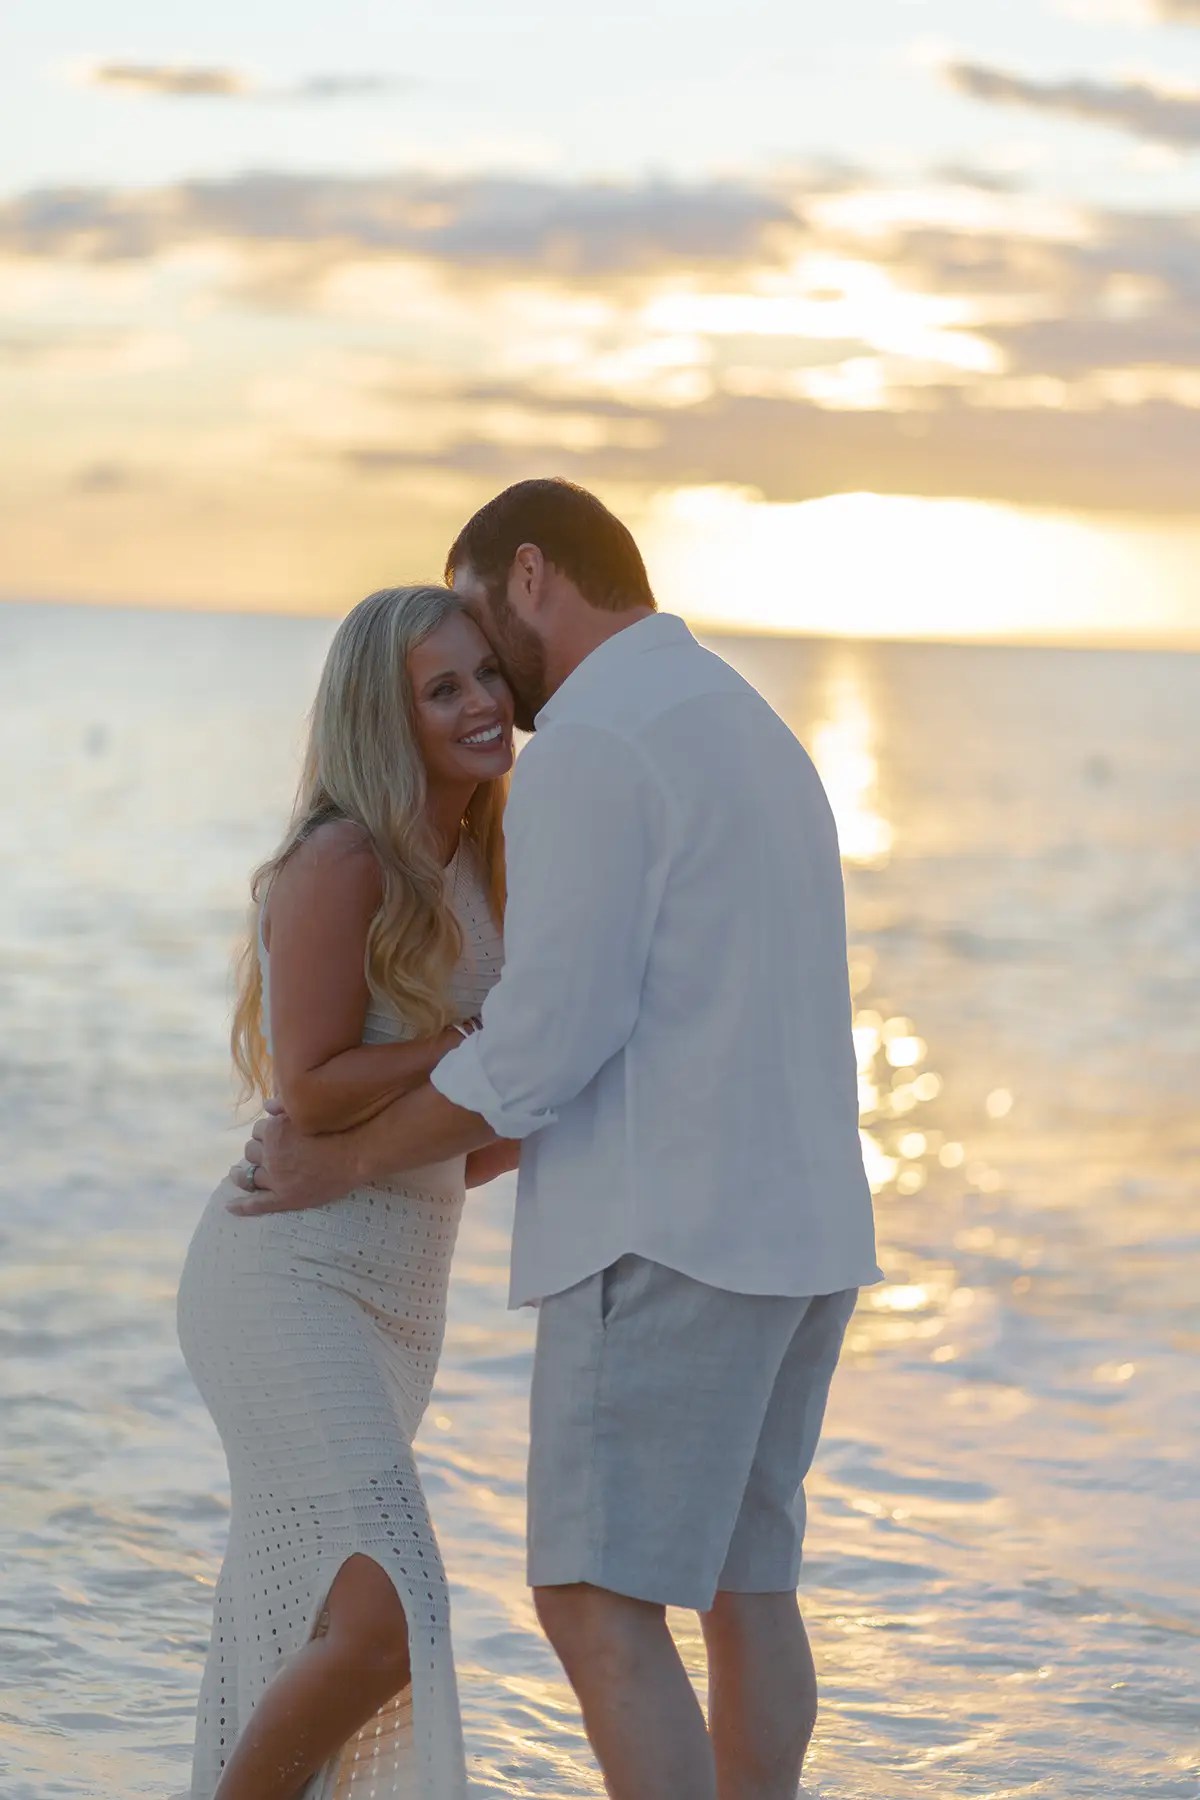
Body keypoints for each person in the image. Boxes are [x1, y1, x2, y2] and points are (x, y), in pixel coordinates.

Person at [232, 479, 883, 1800]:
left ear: (528, 574)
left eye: (478, 618)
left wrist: (348, 1160)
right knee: (748, 1586)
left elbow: (547, 1038)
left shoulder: (594, 742)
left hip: (669, 1233)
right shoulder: (746, 724)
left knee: (593, 1596)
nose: (488, 680)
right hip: (807, 1227)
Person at [177, 584, 518, 1800]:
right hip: (287, 1273)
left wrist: (530, 1080)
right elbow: (311, 1088)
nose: (483, 702)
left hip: (398, 1289)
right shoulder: (342, 857)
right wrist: (481, 1039)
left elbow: (484, 1120)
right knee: (387, 1617)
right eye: (445, 688)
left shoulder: (482, 853)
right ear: (388, 716)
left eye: (487, 673)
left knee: (315, 1619)